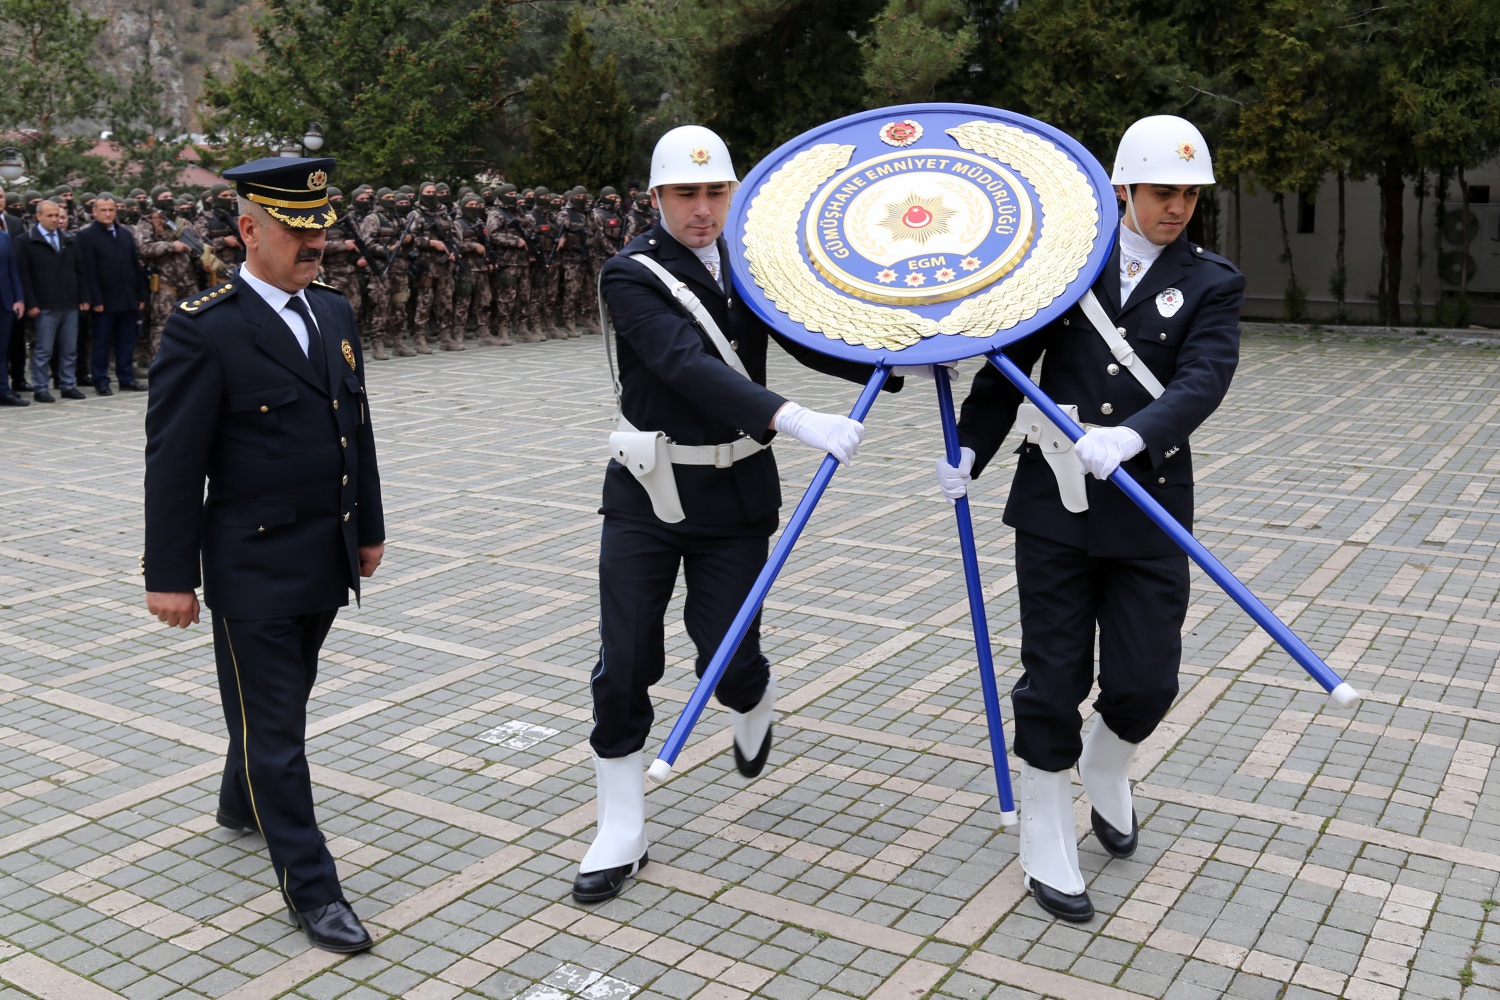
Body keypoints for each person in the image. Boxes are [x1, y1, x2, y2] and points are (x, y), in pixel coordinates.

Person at [575, 125, 906, 904]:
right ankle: (621, 826)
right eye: (685, 194)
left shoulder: (751, 265)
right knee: (624, 659)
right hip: (649, 492)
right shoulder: (632, 276)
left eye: (714, 191)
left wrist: (896, 355)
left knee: (726, 653)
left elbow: (808, 338)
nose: (701, 209)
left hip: (736, 495)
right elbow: (681, 364)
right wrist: (795, 419)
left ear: (733, 194)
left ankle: (749, 697)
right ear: (655, 198)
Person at [936, 115, 1243, 922]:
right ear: (1122, 189)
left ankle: (1108, 765)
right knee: (1054, 676)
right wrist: (971, 448)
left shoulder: (1213, 281)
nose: (1177, 206)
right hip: (1054, 508)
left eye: (1189, 194)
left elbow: (1205, 378)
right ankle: (1045, 829)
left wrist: (1136, 434)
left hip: (1148, 506)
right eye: (1162, 191)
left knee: (1146, 682)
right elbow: (1007, 369)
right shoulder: (1064, 268)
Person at [142, 156, 384, 954]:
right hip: (251, 570)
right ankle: (313, 893)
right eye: (297, 231)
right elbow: (174, 463)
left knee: (275, 711)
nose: (316, 244)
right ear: (249, 229)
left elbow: (357, 430)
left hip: (323, 559)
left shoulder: (333, 314)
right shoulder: (204, 328)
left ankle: (240, 801)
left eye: (321, 229)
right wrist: (171, 577)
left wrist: (369, 528)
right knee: (279, 733)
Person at [16, 199, 89, 402]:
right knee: (43, 350)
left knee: (69, 349)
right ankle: (41, 388)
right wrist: (31, 303)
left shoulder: (69, 239)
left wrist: (84, 297)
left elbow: (80, 271)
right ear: (38, 216)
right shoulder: (26, 241)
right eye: (50, 215)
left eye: (57, 215)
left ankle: (67, 384)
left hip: (69, 303)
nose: (55, 219)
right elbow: (24, 276)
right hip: (44, 305)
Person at [77, 194, 148, 395]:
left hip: (128, 298)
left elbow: (135, 266)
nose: (108, 214)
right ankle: (101, 380)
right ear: (94, 212)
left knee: (127, 341)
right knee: (101, 343)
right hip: (104, 301)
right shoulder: (86, 236)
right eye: (103, 210)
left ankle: (126, 378)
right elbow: (88, 271)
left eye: (111, 210)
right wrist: (95, 299)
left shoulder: (125, 233)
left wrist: (141, 295)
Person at [0, 209, 25, 406]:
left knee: (2, 350)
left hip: (5, 301)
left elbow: (12, 270)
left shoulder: (4, 237)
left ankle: (3, 390)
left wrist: (19, 299)